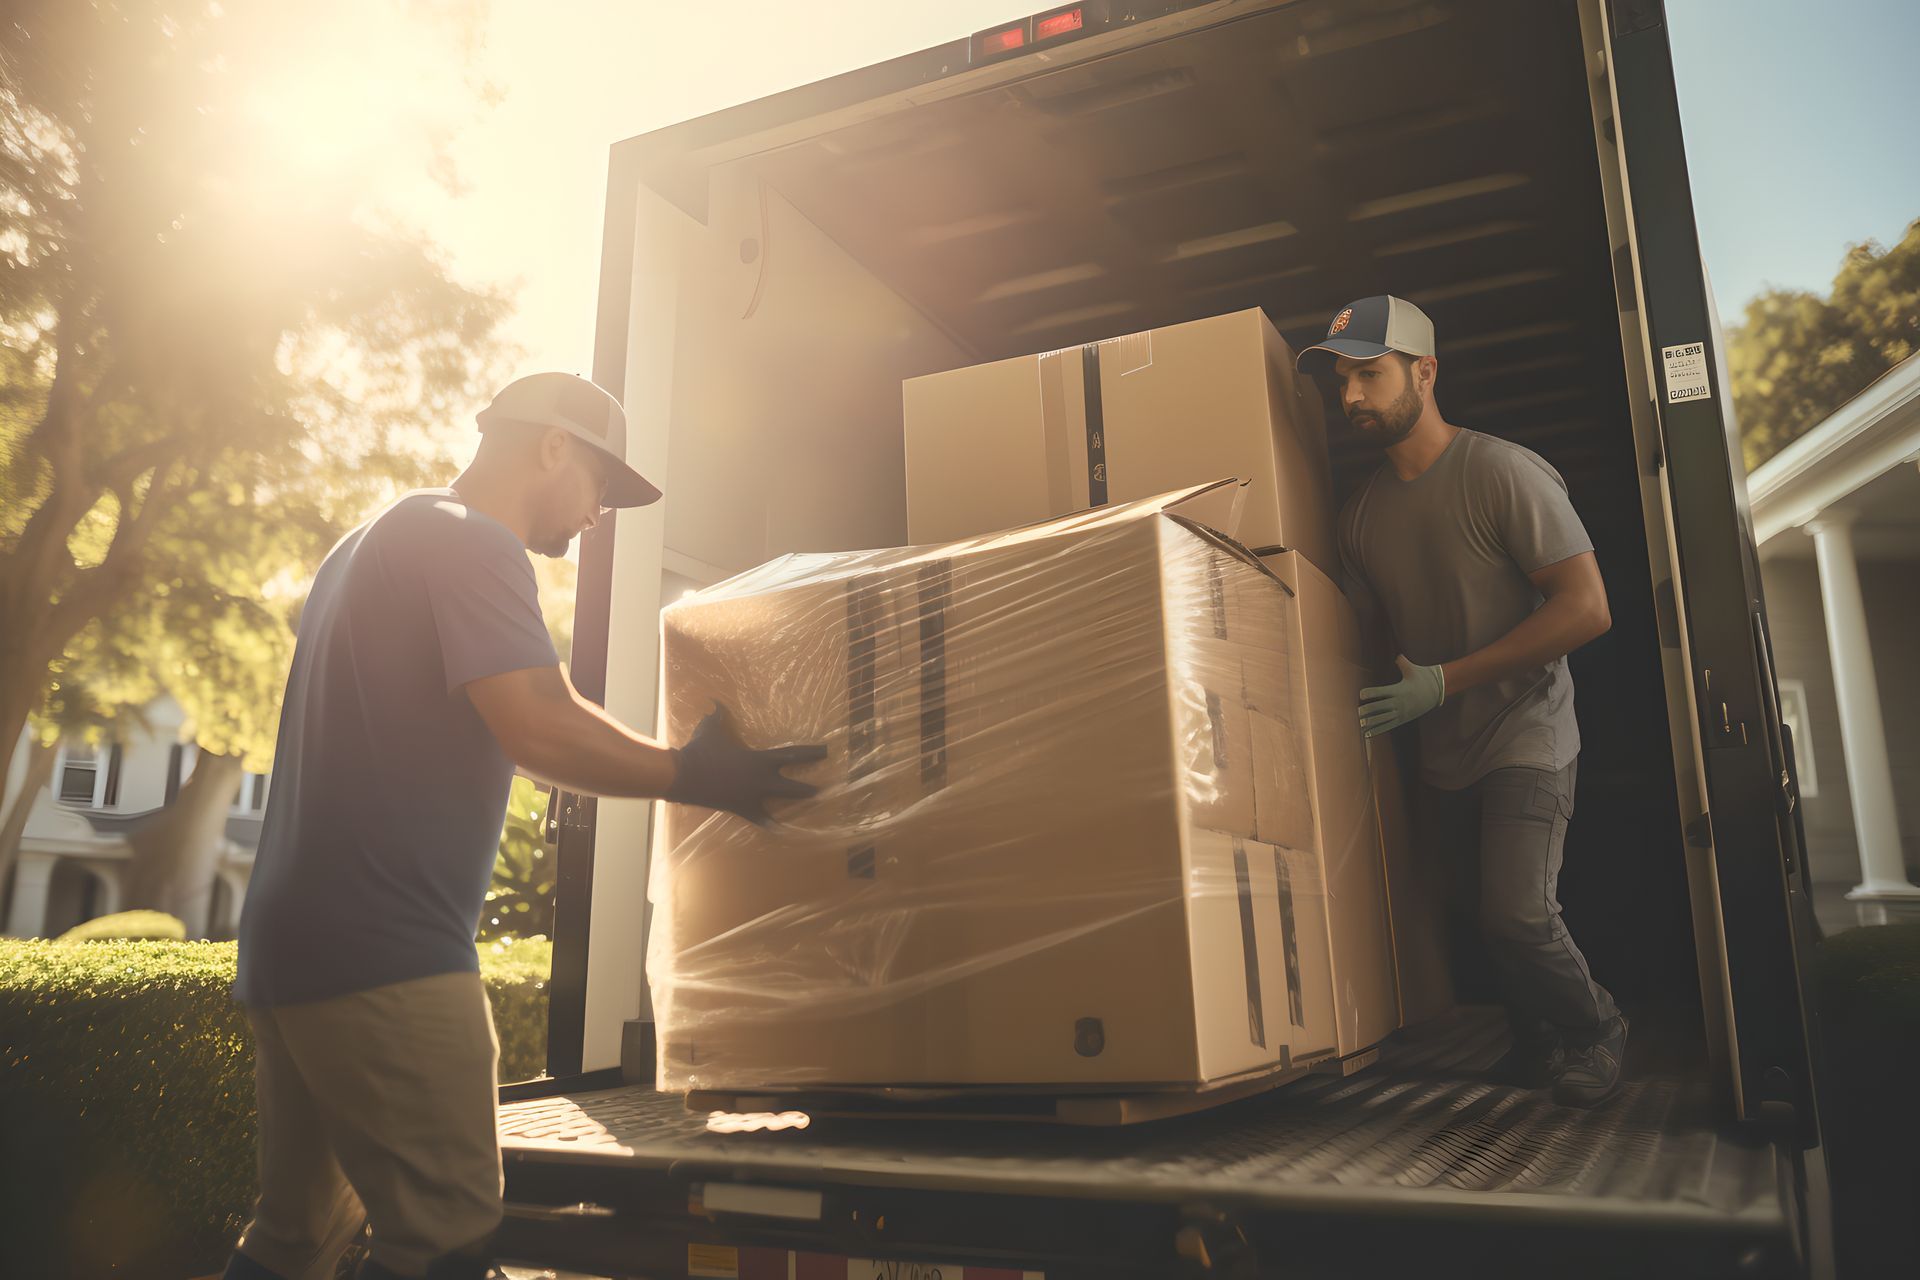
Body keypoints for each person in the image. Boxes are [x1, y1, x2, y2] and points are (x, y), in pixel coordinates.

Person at [222, 373, 823, 1280]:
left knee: (294, 1240)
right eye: (602, 487)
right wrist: (689, 774)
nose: (600, 516)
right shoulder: (472, 543)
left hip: (290, 954)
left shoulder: (370, 541)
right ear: (552, 447)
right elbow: (539, 720)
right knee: (448, 1238)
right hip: (388, 957)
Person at [1296, 296, 1628, 1109]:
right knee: (1463, 908)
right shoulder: (1360, 518)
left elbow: (1587, 608)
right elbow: (1367, 642)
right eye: (1343, 381)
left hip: (1528, 730)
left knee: (1516, 912)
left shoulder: (1499, 471)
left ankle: (1596, 1030)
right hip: (1441, 746)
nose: (1351, 399)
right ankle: (1539, 1038)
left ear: (1425, 371)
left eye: (1370, 375)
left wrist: (1446, 678)